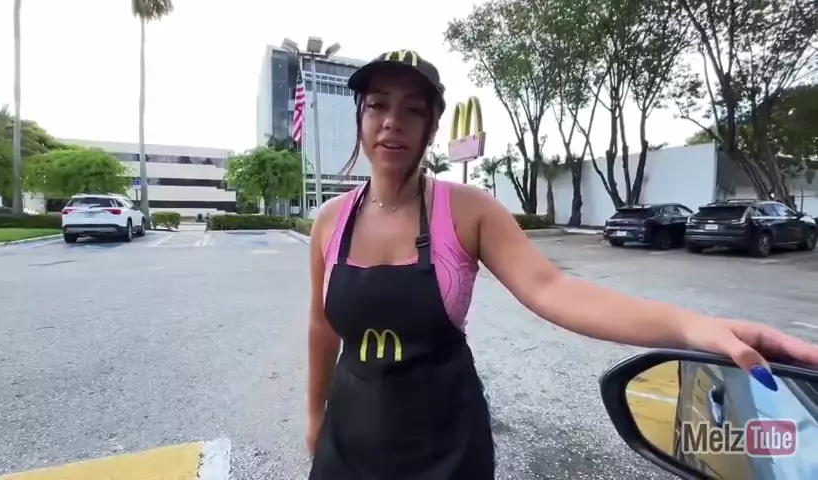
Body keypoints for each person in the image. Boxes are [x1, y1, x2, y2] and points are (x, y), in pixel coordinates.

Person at [305, 50, 818, 480]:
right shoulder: (331, 221)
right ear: (361, 116)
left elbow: (554, 290)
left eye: (412, 109)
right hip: (347, 444)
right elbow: (321, 327)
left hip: (446, 449)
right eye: (377, 105)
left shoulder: (467, 211)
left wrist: (697, 327)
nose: (392, 120)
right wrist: (313, 415)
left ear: (433, 126)